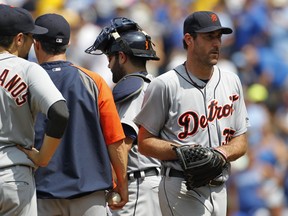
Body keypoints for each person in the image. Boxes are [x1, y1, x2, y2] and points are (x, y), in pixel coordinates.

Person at [134, 11, 250, 216]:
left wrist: (221, 153)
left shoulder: (232, 81)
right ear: (189, 39)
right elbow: (144, 142)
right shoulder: (165, 85)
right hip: (181, 187)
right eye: (209, 37)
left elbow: (240, 141)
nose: (216, 44)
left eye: (218, 37)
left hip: (220, 187)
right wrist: (182, 151)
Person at [32, 13, 128, 216]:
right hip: (89, 194)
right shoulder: (94, 81)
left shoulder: (26, 83)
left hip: (41, 192)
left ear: (36, 44)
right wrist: (122, 182)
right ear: (68, 44)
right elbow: (115, 140)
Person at [85, 17, 162, 216]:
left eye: (109, 58)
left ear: (122, 57)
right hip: (149, 184)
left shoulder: (133, 87)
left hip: (137, 186)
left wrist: (118, 184)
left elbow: (123, 143)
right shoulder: (152, 84)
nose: (109, 65)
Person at [0, 5, 69, 216]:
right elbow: (60, 112)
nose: (33, 43)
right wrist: (42, 158)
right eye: (31, 37)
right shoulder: (27, 68)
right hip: (12, 175)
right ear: (19, 39)